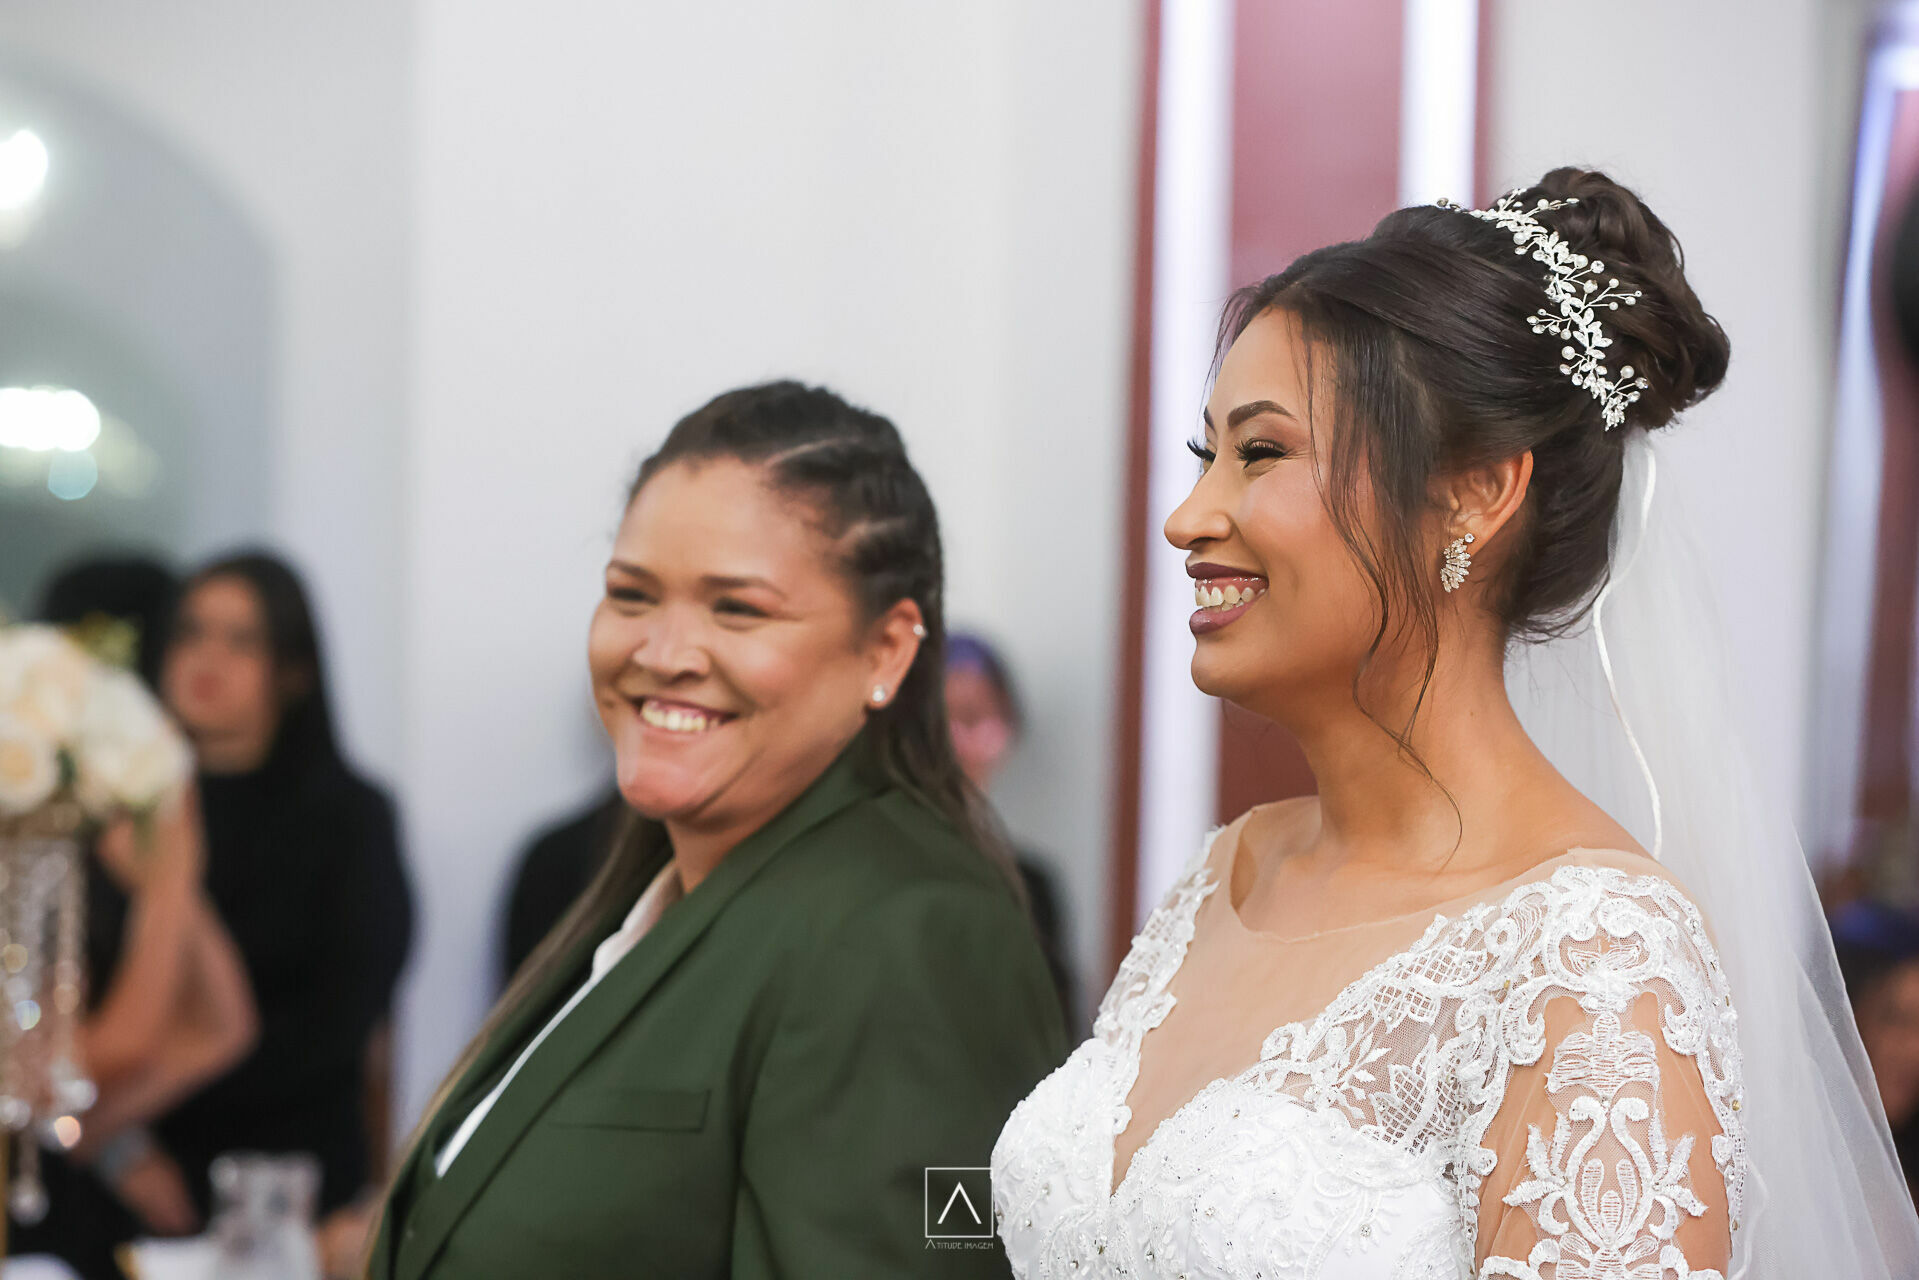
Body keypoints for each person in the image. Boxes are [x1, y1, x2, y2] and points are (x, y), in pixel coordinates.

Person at [993, 169, 1919, 1276]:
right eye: (1206, 457)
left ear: (1474, 493)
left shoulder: (1591, 959)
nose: (1187, 517)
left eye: (1261, 451)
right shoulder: (1221, 874)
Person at [364, 381, 1068, 1279]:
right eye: (631, 596)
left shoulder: (910, 932)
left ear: (886, 649)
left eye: (736, 608)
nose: (661, 653)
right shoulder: (658, 892)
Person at [153, 552, 414, 1241]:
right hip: (131, 1152)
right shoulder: (121, 814)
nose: (207, 658)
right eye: (191, 632)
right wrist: (122, 1146)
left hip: (289, 1173)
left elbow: (344, 1019)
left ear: (293, 670)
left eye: (242, 640)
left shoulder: (351, 818)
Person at [944, 631, 1083, 1034]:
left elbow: (1056, 1029)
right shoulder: (880, 861)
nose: (957, 741)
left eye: (974, 717)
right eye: (940, 719)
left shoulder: (1033, 886)